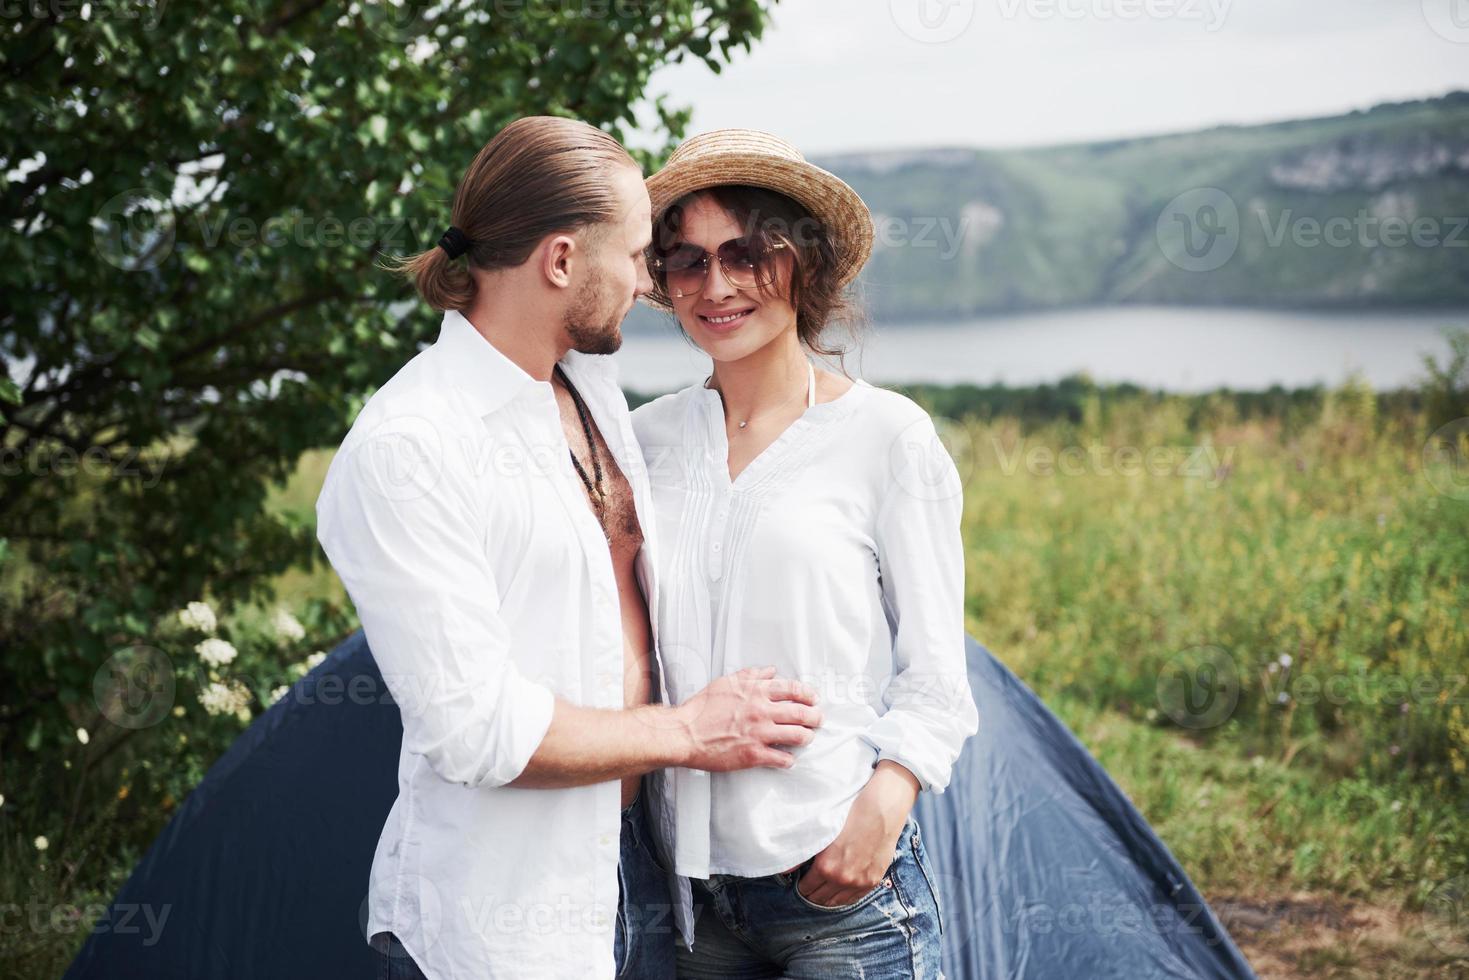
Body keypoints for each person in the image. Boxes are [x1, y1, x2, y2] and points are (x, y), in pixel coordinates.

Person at [314, 117, 823, 980]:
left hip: (642, 876)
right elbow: (473, 731)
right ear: (559, 261)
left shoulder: (586, 382)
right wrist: (690, 732)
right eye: (632, 256)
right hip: (503, 922)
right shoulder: (409, 448)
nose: (645, 281)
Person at [630, 130, 980, 977]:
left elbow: (935, 672)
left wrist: (883, 807)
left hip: (842, 897)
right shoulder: (644, 442)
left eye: (746, 254)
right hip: (693, 903)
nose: (715, 287)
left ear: (803, 263)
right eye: (686, 261)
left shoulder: (887, 437)